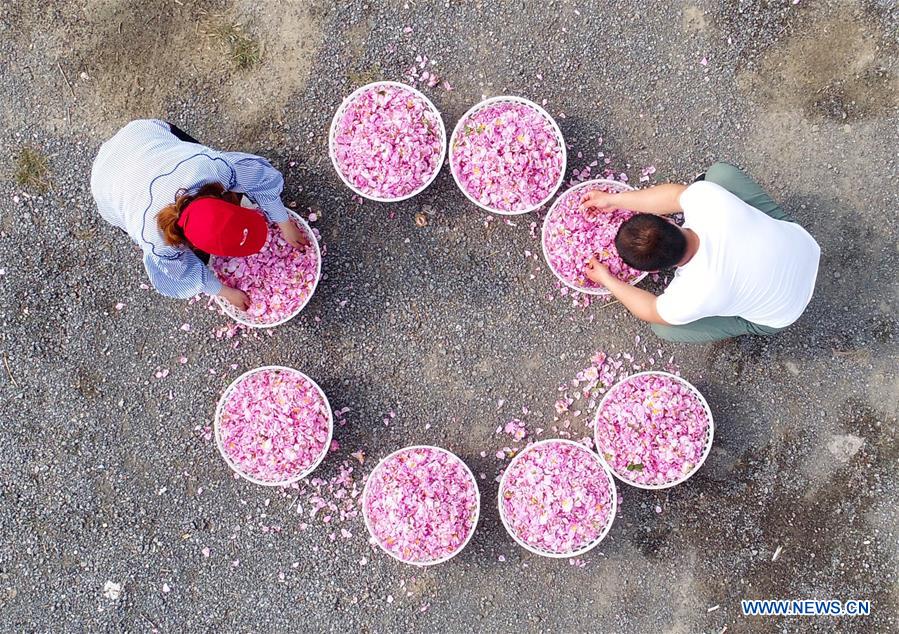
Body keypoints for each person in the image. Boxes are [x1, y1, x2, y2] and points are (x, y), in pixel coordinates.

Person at [580, 162, 821, 343]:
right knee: (719, 175)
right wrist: (613, 200)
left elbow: (651, 310)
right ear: (670, 221)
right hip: (803, 246)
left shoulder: (689, 296)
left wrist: (607, 279)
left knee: (663, 327)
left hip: (783, 314)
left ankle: (748, 324)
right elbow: (674, 195)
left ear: (654, 270)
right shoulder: (707, 199)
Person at [90, 119, 307, 310]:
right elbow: (180, 273)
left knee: (199, 155)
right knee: (185, 258)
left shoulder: (212, 167)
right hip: (106, 182)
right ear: (194, 246)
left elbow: (259, 178)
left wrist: (284, 222)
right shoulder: (156, 242)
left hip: (142, 135)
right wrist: (224, 291)